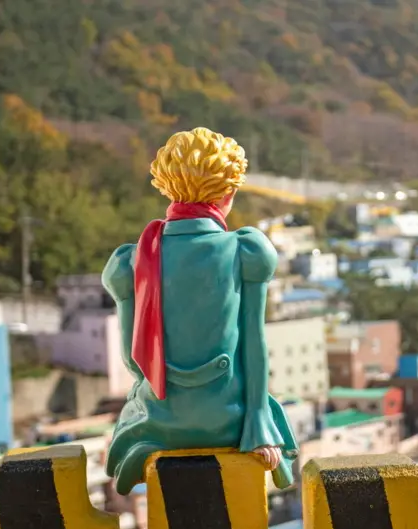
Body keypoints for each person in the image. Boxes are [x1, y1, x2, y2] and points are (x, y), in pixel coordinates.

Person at [102, 127, 297, 495]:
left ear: (167, 187)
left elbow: (135, 363)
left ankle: (144, 446)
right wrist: (257, 424)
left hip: (159, 422)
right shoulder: (246, 250)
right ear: (229, 193)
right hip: (231, 421)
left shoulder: (131, 261)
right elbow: (253, 346)